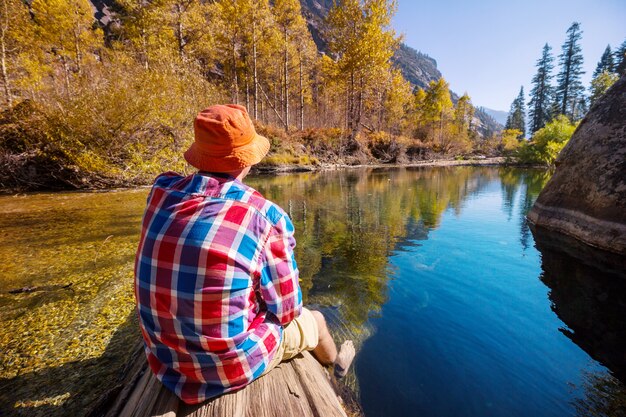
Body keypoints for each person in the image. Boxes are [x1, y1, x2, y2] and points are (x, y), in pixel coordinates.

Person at [134, 104, 355, 404]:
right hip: (225, 368)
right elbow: (288, 311)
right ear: (247, 160)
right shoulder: (265, 217)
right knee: (314, 320)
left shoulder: (161, 192)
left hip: (163, 358)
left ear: (199, 154)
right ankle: (336, 373)